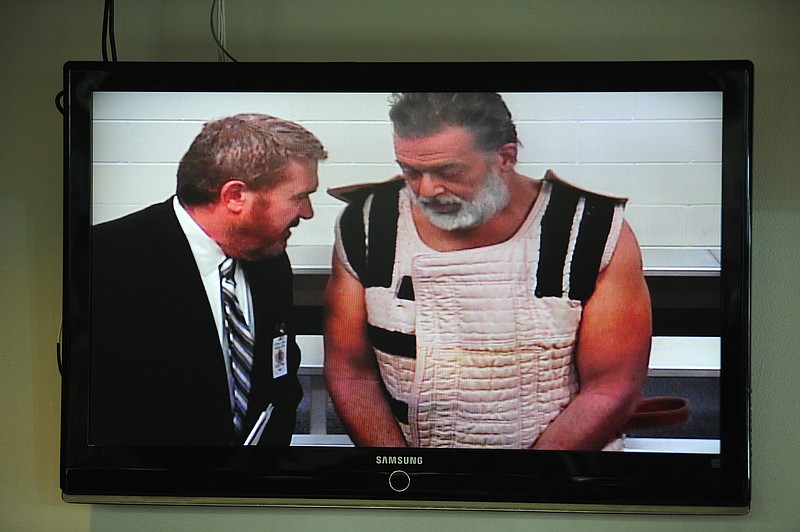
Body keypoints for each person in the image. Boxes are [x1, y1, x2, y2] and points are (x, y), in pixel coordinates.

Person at [323, 93, 652, 450]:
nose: (427, 189)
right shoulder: (369, 224)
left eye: (450, 172)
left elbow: (612, 387)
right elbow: (350, 372)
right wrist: (404, 473)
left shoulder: (591, 228)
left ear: (505, 157)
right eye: (411, 171)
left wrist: (521, 487)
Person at [90, 113, 327, 446]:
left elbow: (280, 380)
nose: (307, 212)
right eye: (299, 196)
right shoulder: (103, 262)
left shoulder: (269, 261)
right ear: (234, 196)